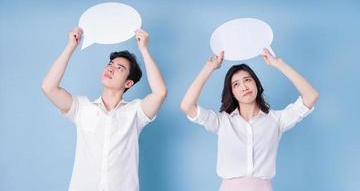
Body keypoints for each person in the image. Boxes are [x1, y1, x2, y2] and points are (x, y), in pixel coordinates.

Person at [41, 27, 167, 191]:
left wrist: (144, 49)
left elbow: (160, 92)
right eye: (110, 64)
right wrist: (71, 45)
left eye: (120, 68)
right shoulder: (82, 107)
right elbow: (48, 87)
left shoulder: (135, 113)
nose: (111, 68)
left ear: (128, 83)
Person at [180, 49, 319, 191]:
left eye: (247, 80)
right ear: (232, 93)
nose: (244, 87)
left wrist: (279, 64)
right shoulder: (223, 122)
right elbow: (187, 105)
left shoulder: (276, 120)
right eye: (236, 84)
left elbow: (311, 96)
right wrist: (208, 68)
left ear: (257, 84)